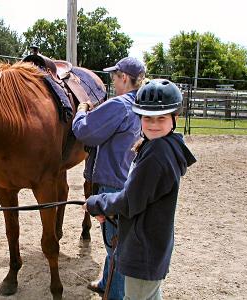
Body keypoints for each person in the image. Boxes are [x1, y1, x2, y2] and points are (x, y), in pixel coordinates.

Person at [84, 79, 197, 300]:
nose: (153, 124)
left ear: (175, 118)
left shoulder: (157, 154)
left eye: (161, 118)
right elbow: (139, 197)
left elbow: (128, 201)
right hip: (151, 244)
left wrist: (96, 202)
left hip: (144, 248)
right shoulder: (161, 146)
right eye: (147, 117)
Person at [73, 57, 146, 299]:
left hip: (111, 182)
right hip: (127, 178)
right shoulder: (142, 104)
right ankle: (106, 281)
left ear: (124, 77)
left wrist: (81, 111)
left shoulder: (119, 105)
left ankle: (114, 294)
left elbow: (85, 131)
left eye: (114, 77)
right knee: (114, 240)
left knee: (114, 244)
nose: (113, 82)